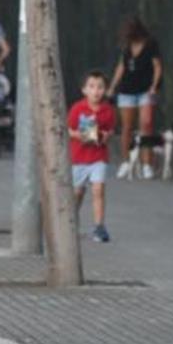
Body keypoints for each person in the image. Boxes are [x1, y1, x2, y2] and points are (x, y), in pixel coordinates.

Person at [106, 16, 163, 179]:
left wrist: (154, 86)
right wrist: (112, 87)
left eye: (130, 33)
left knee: (146, 124)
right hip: (126, 91)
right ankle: (125, 161)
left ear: (137, 31)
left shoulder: (151, 44)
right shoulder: (126, 46)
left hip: (146, 91)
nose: (127, 37)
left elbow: (157, 66)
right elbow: (121, 66)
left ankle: (147, 165)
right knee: (127, 127)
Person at [69, 70, 116, 242]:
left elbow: (110, 130)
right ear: (84, 90)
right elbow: (68, 129)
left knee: (98, 189)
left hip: (99, 156)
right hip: (79, 157)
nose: (96, 91)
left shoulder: (108, 110)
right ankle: (70, 223)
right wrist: (78, 135)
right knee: (77, 192)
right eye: (92, 86)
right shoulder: (77, 108)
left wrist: (105, 136)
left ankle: (99, 227)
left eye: (100, 87)